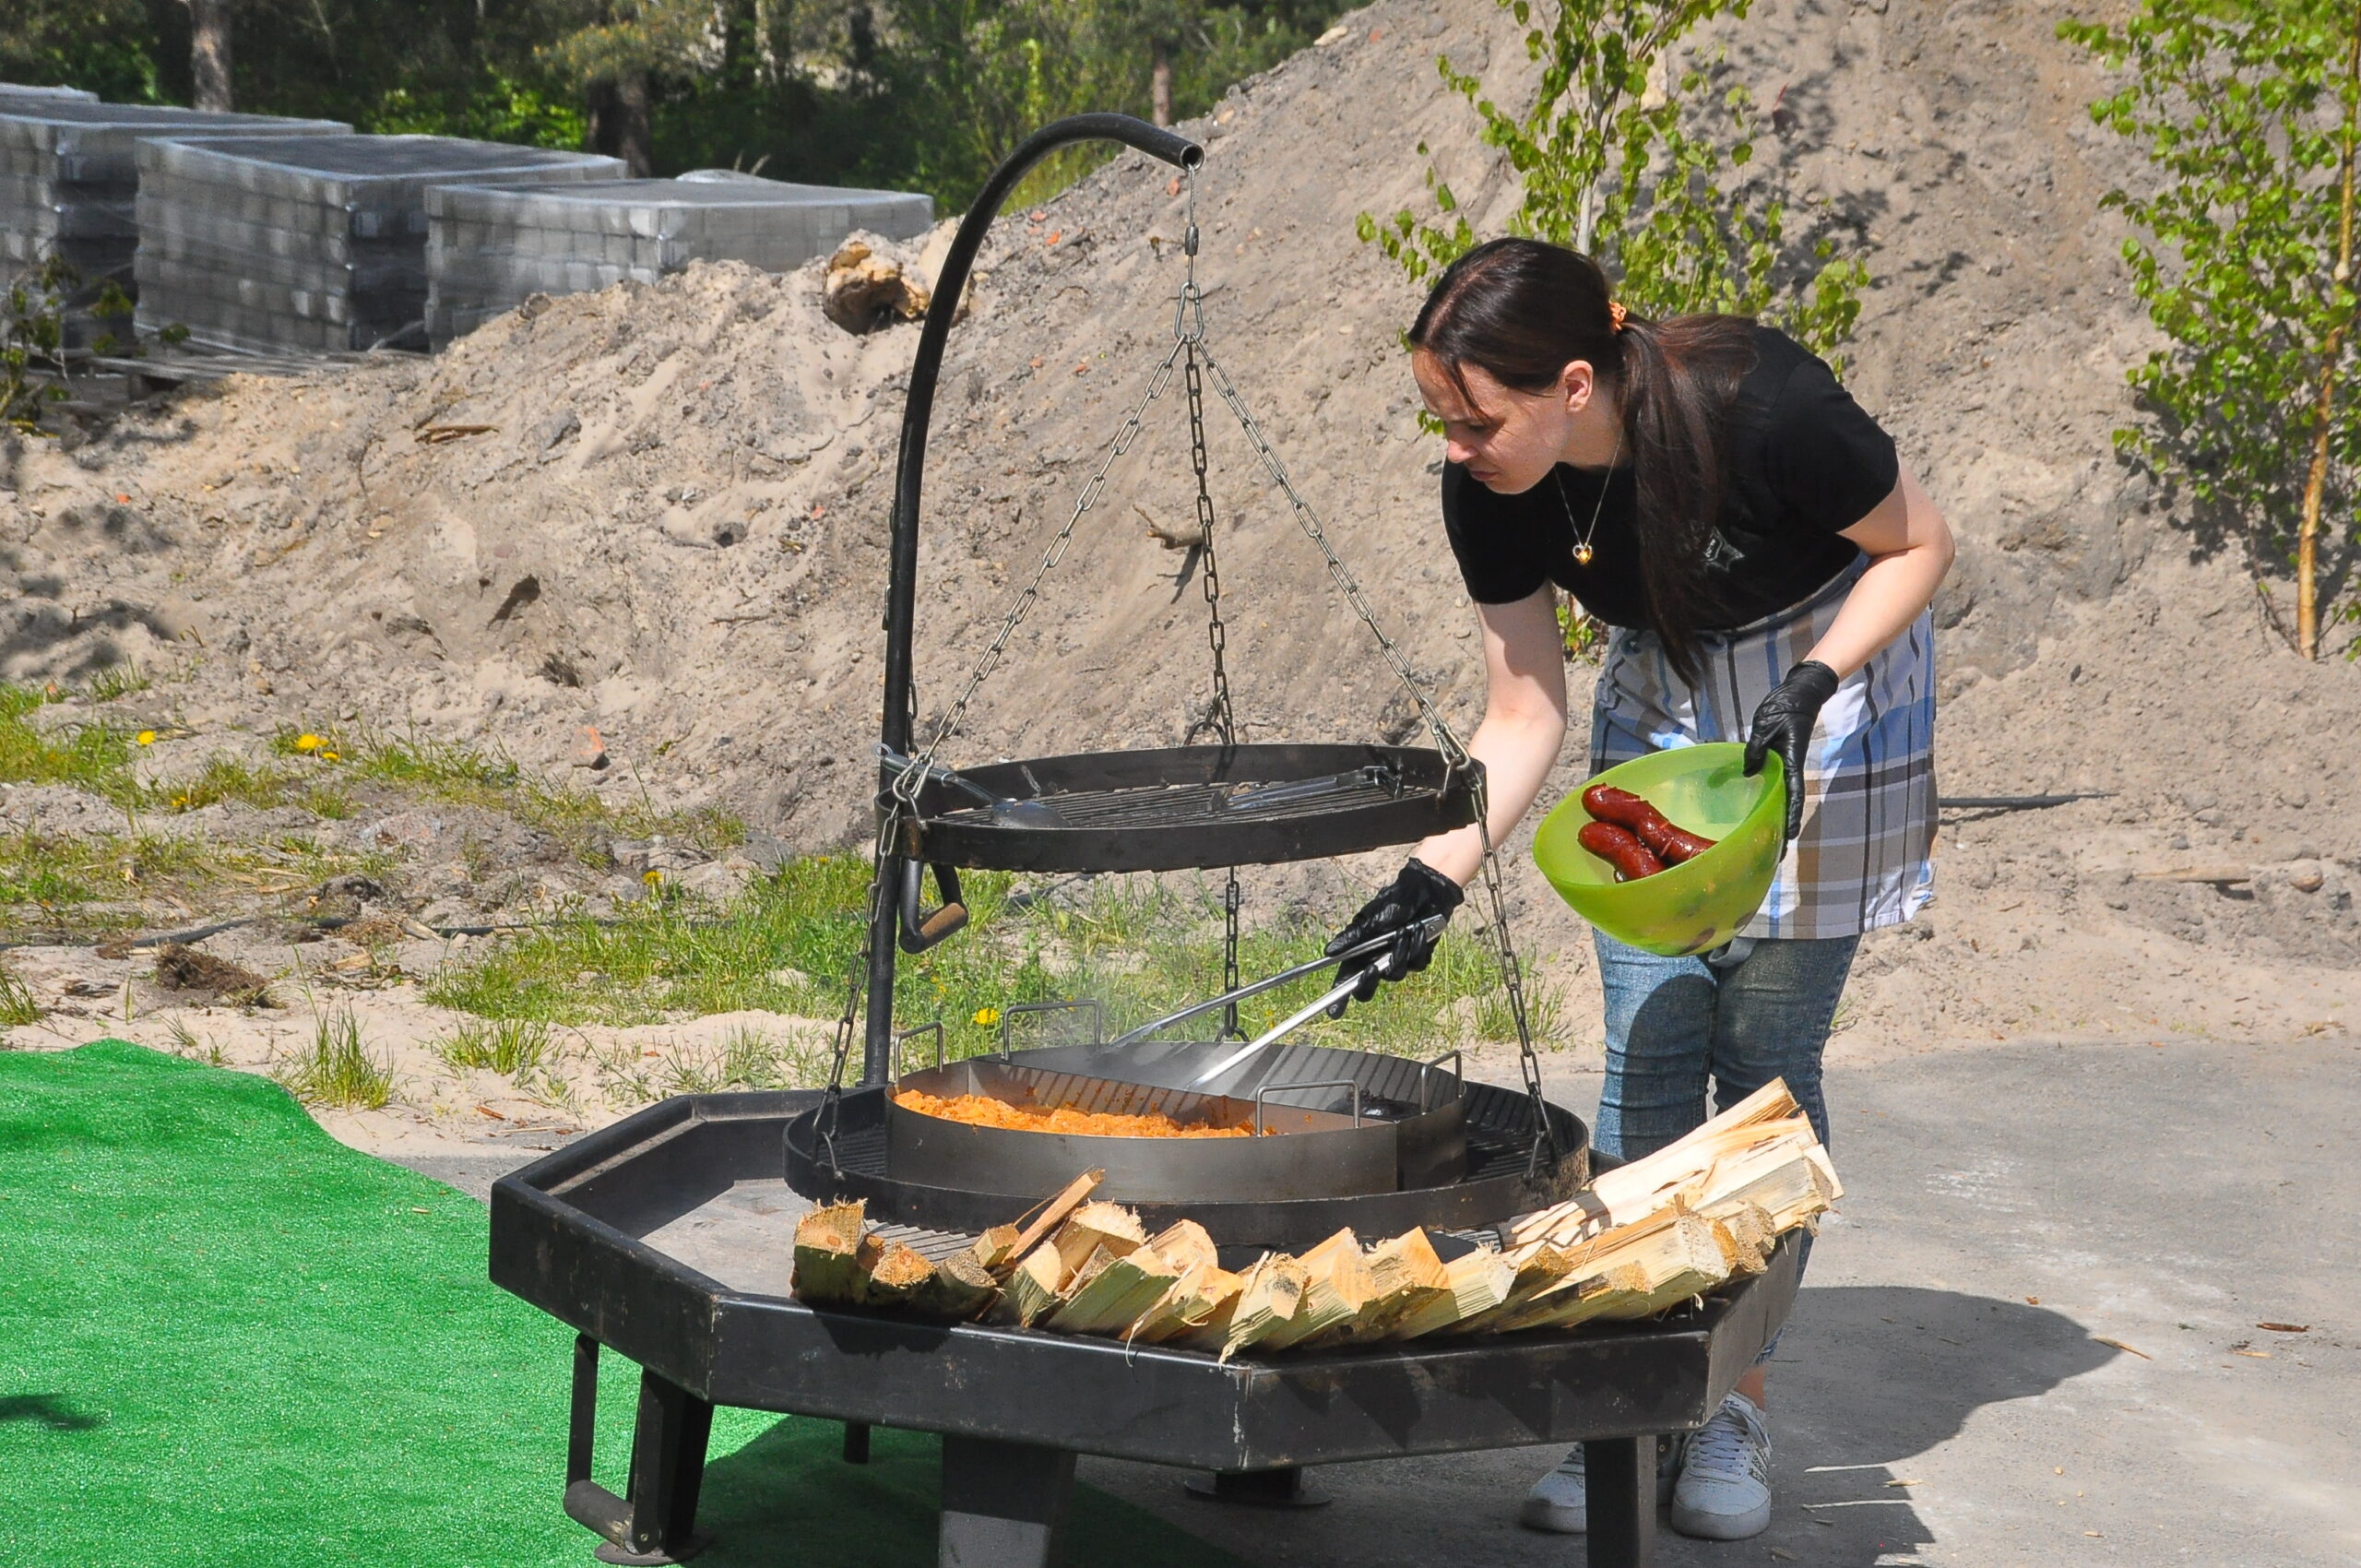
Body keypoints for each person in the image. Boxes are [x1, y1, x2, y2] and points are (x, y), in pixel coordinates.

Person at [1323, 238, 1953, 1541]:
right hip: (1667, 679)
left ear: (1571, 384)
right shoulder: (1492, 490)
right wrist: (1429, 883)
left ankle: (1731, 1401)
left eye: (1476, 420)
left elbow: (1919, 542)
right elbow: (1523, 709)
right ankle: (1624, 1403)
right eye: (1439, 420)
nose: (1456, 448)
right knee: (1649, 1046)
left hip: (1832, 682)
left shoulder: (1764, 405)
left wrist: (1814, 681)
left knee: (1763, 1057)